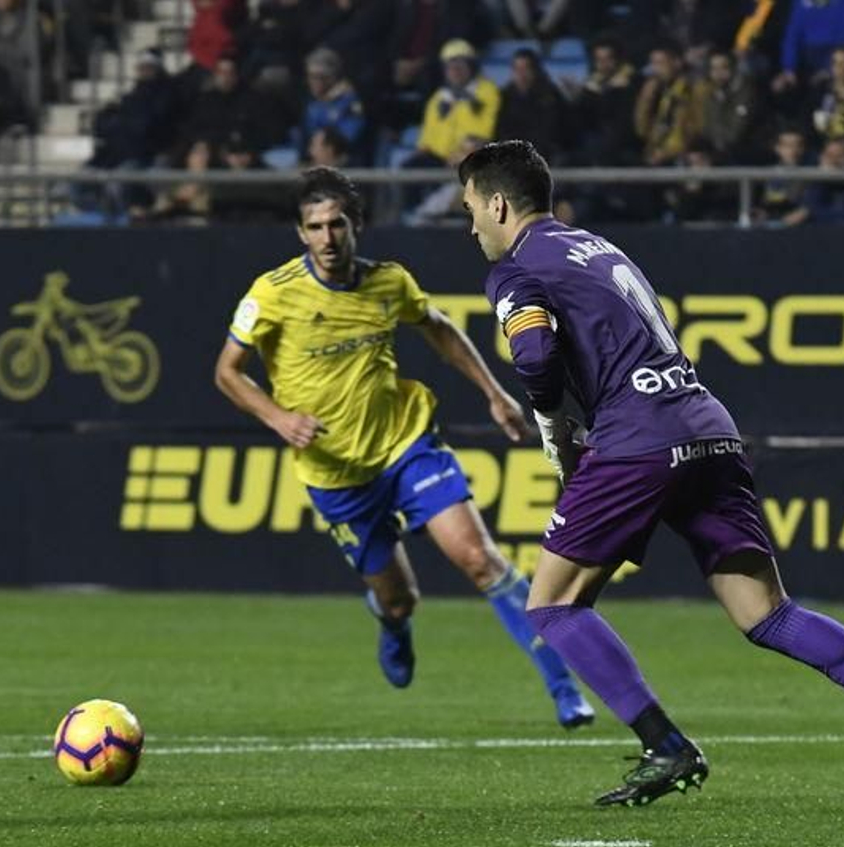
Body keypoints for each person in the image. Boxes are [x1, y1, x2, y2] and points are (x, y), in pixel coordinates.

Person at [454, 139, 844, 808]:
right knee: (766, 613)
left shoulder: (517, 267)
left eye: (471, 208)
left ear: (498, 204)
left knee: (551, 604)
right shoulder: (596, 247)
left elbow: (533, 356)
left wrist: (557, 433)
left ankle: (665, 745)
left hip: (638, 437)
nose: (471, 225)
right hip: (707, 426)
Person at [213, 167, 596, 729]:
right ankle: (392, 623)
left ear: (355, 225)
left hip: (405, 444)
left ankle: (564, 688)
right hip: (335, 473)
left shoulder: (389, 282)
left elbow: (439, 328)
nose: (327, 237)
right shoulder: (271, 294)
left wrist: (493, 393)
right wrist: (278, 417)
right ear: (301, 234)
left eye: (337, 223)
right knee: (400, 600)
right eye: (315, 227)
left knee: (479, 560)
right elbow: (227, 372)